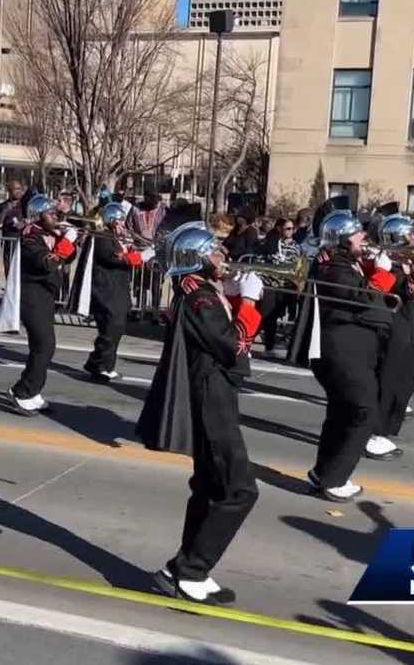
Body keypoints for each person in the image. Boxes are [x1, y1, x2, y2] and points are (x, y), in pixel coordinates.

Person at [138, 224, 263, 606]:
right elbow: (231, 346)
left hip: (214, 391)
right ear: (196, 258)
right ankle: (189, 569)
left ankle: (185, 570)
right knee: (239, 489)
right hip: (211, 396)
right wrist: (250, 303)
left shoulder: (201, 292)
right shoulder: (199, 300)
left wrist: (238, 295)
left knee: (210, 487)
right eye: (215, 252)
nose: (222, 256)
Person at [307, 211, 395, 502]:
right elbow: (364, 297)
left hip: (352, 350)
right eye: (359, 236)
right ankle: (334, 479)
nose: (364, 239)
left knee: (341, 414)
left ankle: (324, 472)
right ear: (343, 240)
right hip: (342, 352)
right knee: (362, 413)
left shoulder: (344, 263)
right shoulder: (333, 267)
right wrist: (383, 272)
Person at [366, 215, 414, 461]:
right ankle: (375, 433)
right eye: (409, 236)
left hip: (408, 325)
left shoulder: (408, 261)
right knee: (388, 380)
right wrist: (392, 269)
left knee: (407, 378)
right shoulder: (384, 262)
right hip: (390, 328)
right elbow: (374, 293)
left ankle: (385, 428)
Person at [7, 196, 80, 414]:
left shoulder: (50, 233)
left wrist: (68, 239)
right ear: (38, 216)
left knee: (45, 347)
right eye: (50, 214)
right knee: (44, 346)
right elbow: (46, 263)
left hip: (46, 295)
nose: (56, 217)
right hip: (32, 295)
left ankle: (33, 390)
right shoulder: (31, 235)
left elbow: (68, 257)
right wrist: (66, 241)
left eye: (56, 213)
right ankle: (22, 391)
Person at [82, 203, 155, 381]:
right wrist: (141, 257)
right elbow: (113, 258)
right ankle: (100, 365)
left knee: (117, 328)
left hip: (118, 287)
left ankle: (102, 363)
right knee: (110, 327)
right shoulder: (102, 236)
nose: (123, 223)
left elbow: (124, 253)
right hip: (106, 288)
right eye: (120, 220)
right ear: (111, 220)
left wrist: (140, 249)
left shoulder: (116, 236)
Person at [254, 217, 300, 355]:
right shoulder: (271, 243)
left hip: (286, 286)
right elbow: (259, 260)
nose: (290, 231)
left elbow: (298, 266)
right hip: (271, 284)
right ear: (280, 229)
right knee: (267, 315)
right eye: (288, 228)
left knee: (280, 315)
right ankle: (267, 346)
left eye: (293, 229)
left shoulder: (296, 247)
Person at [128, 191, 166, 312]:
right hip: (139, 250)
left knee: (156, 284)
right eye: (151, 199)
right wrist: (132, 243)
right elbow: (129, 227)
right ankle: (141, 309)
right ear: (146, 197)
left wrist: (159, 242)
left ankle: (155, 311)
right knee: (140, 283)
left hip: (156, 252)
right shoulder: (135, 209)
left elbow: (166, 229)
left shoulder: (163, 210)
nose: (154, 202)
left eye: (156, 200)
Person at [0, 180, 28, 276]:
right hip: (8, 242)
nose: (19, 191)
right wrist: (5, 210)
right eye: (16, 189)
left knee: (21, 268)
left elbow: (34, 218)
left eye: (20, 189)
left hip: (22, 241)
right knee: (8, 267)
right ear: (9, 191)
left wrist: (24, 222)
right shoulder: (3, 205)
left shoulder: (25, 205)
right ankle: (9, 288)